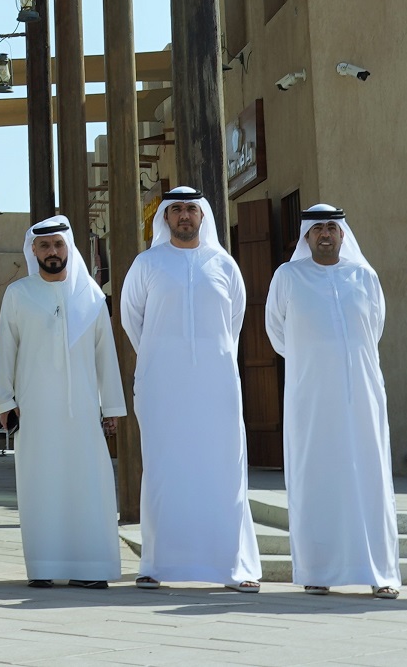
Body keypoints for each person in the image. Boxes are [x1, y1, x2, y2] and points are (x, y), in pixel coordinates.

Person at [120, 187, 260, 592]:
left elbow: (232, 323)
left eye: (191, 210)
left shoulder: (224, 264)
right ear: (164, 217)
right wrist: (163, 357)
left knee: (223, 470)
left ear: (203, 216)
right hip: (162, 385)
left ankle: (231, 567)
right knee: (164, 469)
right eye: (177, 210)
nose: (184, 216)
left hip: (215, 385)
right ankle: (156, 565)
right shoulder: (147, 264)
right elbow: (133, 323)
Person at [264, 204, 400, 599]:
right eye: (317, 228)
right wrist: (316, 362)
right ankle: (317, 570)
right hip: (311, 397)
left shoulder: (364, 276)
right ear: (306, 236)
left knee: (370, 477)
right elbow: (277, 332)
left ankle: (380, 572)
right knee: (316, 475)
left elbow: (374, 328)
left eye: (332, 227)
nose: (325, 234)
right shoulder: (288, 276)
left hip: (362, 395)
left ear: (342, 233)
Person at [0, 215, 125, 589]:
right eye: (45, 246)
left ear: (69, 249)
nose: (52, 252)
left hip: (83, 411)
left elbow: (106, 356)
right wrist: (4, 402)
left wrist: (111, 408)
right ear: (33, 250)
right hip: (34, 413)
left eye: (58, 245)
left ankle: (90, 569)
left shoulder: (91, 298)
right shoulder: (19, 294)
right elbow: (6, 353)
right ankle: (44, 566)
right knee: (40, 486)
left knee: (88, 486)